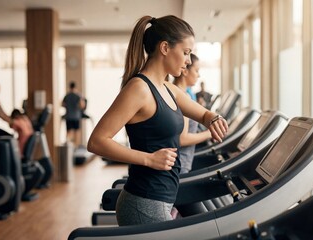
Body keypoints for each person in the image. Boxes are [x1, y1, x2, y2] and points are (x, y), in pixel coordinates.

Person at [87, 15, 228, 226]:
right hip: (144, 203)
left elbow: (203, 114)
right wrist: (148, 159)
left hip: (162, 198)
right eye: (186, 52)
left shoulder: (167, 88)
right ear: (164, 48)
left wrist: (213, 118)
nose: (189, 61)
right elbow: (97, 141)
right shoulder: (139, 89)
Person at [173, 53, 211, 173]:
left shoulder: (183, 93)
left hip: (182, 162)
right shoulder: (182, 97)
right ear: (185, 71)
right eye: (196, 70)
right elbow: (182, 139)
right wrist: (209, 134)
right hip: (180, 164)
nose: (198, 75)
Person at [62, 81, 86, 146]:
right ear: (75, 87)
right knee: (76, 132)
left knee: (68, 132)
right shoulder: (78, 96)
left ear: (70, 87)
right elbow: (82, 105)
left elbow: (63, 104)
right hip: (76, 116)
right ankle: (76, 146)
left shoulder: (67, 95)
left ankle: (68, 146)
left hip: (69, 116)